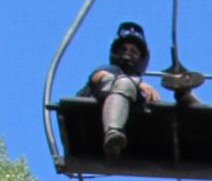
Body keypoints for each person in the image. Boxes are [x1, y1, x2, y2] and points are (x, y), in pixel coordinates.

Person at [86, 22, 202, 159]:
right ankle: (113, 133)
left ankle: (185, 95)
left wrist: (183, 94)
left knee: (176, 109)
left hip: (134, 125)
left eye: (133, 51)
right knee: (124, 84)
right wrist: (137, 83)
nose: (127, 54)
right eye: (123, 50)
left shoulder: (141, 92)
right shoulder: (109, 72)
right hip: (94, 118)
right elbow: (98, 77)